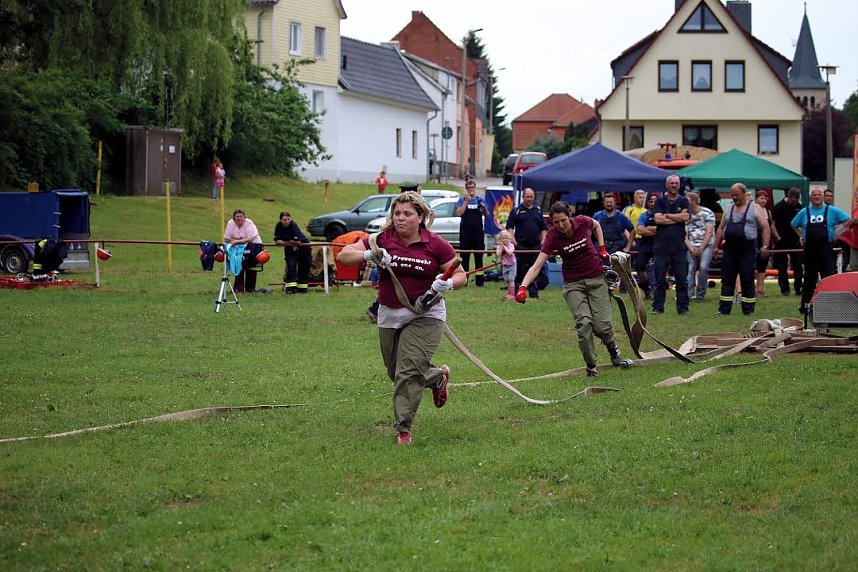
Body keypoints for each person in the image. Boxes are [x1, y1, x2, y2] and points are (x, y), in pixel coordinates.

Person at [337, 191, 466, 445]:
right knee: (396, 371)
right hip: (390, 313)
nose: (400, 218)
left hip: (426, 315)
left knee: (408, 371)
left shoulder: (435, 244)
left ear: (421, 216)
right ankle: (437, 377)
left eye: (407, 214)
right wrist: (368, 255)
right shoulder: (381, 239)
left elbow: (461, 275)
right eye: (396, 213)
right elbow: (344, 255)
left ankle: (403, 429)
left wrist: (448, 284)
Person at [515, 201, 630, 378]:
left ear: (570, 216)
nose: (561, 225)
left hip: (596, 278)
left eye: (563, 220)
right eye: (556, 222)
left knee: (602, 327)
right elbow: (537, 266)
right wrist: (523, 287)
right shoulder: (553, 236)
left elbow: (596, 225)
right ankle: (591, 365)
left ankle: (611, 345)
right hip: (573, 284)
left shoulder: (582, 222)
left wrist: (601, 248)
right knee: (584, 323)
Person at [791, 187, 854, 314]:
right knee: (809, 278)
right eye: (814, 195)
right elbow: (793, 224)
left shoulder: (831, 210)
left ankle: (830, 306)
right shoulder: (804, 212)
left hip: (826, 248)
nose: (817, 197)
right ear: (810, 197)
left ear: (822, 197)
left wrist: (836, 234)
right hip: (810, 249)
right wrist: (802, 236)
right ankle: (806, 306)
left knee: (828, 277)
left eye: (819, 195)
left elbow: (848, 220)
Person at [713, 183, 770, 316]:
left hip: (747, 249)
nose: (734, 197)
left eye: (737, 195)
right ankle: (724, 310)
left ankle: (748, 309)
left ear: (744, 193)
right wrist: (716, 246)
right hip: (730, 249)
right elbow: (721, 228)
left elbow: (765, 227)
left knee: (747, 279)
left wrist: (765, 246)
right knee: (727, 279)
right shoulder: (729, 208)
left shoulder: (755, 208)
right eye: (732, 195)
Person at [652, 175, 690, 314]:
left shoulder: (684, 201)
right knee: (660, 278)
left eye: (676, 183)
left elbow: (685, 217)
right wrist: (677, 218)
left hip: (679, 246)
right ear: (666, 185)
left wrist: (667, 215)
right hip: (662, 246)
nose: (674, 185)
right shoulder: (660, 201)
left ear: (679, 185)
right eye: (671, 183)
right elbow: (658, 220)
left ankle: (683, 308)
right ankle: (658, 307)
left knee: (682, 279)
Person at [506, 187, 547, 299]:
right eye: (527, 197)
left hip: (535, 246)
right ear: (523, 197)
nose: (529, 199)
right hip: (521, 246)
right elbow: (509, 227)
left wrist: (543, 241)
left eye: (531, 197)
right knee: (520, 270)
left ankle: (534, 294)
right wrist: (514, 241)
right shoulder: (516, 210)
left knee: (534, 270)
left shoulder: (538, 210)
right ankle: (518, 292)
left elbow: (543, 227)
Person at [455, 179, 489, 286]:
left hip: (477, 233)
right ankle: (464, 280)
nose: (471, 189)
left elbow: (487, 216)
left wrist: (484, 209)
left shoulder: (480, 200)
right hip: (465, 233)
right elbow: (459, 213)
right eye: (469, 187)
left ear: (475, 188)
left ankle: (480, 281)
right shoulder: (461, 200)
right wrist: (466, 202)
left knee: (479, 257)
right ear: (466, 188)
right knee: (464, 257)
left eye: (472, 187)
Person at [684, 191, 716, 302]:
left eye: (687, 200)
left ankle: (700, 294)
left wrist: (702, 247)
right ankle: (688, 295)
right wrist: (690, 247)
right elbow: (684, 234)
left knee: (703, 267)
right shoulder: (685, 215)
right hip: (691, 244)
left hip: (707, 244)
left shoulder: (708, 213)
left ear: (693, 201)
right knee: (690, 268)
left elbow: (709, 231)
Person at [771, 187, 804, 296]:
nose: (795, 203)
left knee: (798, 264)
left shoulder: (798, 207)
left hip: (795, 239)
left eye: (797, 200)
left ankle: (799, 287)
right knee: (782, 265)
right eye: (793, 201)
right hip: (782, 239)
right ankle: (785, 289)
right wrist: (777, 238)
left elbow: (802, 223)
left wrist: (801, 237)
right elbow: (772, 224)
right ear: (788, 197)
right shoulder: (779, 207)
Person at [224, 209, 263, 293]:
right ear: (234, 218)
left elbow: (250, 239)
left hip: (253, 246)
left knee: (251, 265)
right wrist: (238, 241)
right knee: (238, 263)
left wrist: (237, 241)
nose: (239, 218)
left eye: (241, 216)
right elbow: (227, 238)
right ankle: (238, 289)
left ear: (245, 217)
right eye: (237, 216)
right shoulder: (230, 223)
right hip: (237, 247)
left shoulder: (249, 223)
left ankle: (250, 288)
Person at [273, 211, 312, 294]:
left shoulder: (293, 225)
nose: (287, 221)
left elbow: (298, 241)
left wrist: (288, 242)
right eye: (284, 220)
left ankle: (302, 288)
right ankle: (290, 288)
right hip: (290, 248)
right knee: (291, 265)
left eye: (288, 219)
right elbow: (277, 241)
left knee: (304, 267)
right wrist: (290, 243)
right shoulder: (278, 226)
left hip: (304, 248)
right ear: (280, 220)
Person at [753, 190, 780, 296]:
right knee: (753, 265)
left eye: (765, 198)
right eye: (761, 198)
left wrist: (777, 238)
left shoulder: (768, 212)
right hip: (754, 239)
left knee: (762, 265)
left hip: (765, 240)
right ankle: (751, 288)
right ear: (756, 199)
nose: (763, 200)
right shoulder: (753, 210)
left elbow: (771, 226)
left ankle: (760, 289)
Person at [634, 193, 659, 299]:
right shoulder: (644, 215)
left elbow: (664, 230)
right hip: (645, 244)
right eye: (651, 201)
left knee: (658, 268)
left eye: (655, 201)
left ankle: (657, 291)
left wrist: (648, 228)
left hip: (659, 244)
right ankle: (646, 288)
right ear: (647, 203)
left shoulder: (663, 214)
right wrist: (656, 230)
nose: (653, 203)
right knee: (639, 266)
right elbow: (640, 230)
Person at [496, 229, 516, 300]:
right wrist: (501, 247)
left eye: (506, 238)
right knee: (507, 280)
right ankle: (509, 294)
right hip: (505, 265)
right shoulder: (499, 246)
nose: (505, 240)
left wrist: (504, 247)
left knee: (511, 280)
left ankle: (512, 295)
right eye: (503, 238)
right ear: (500, 239)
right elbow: (498, 254)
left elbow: (510, 253)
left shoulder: (511, 245)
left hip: (512, 265)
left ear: (509, 239)